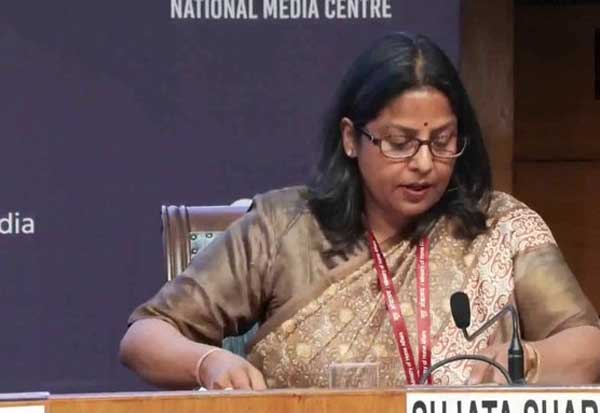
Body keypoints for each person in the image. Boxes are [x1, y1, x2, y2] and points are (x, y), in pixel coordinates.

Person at [119, 32, 600, 390]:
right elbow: (145, 334)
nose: (425, 163)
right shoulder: (284, 228)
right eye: (400, 143)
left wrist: (524, 362)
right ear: (352, 138)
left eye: (442, 140)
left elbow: (588, 345)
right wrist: (209, 363)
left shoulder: (499, 226)